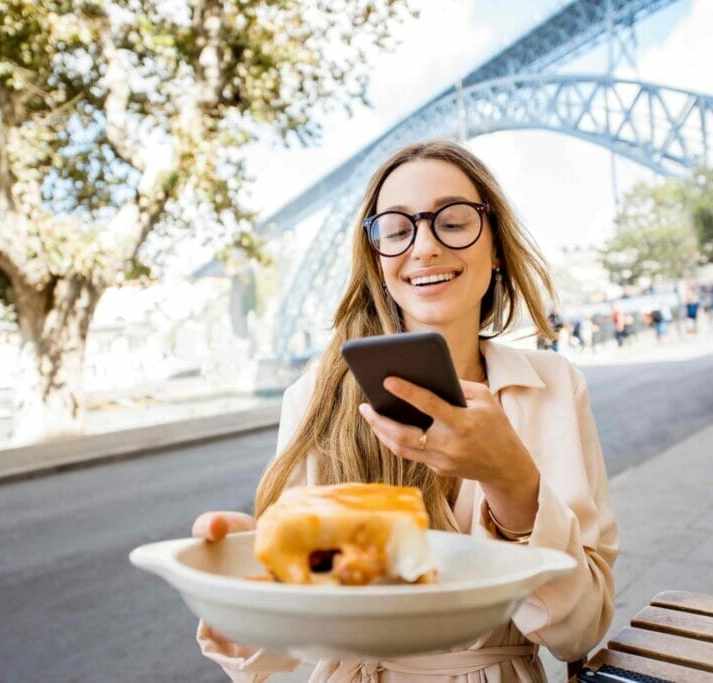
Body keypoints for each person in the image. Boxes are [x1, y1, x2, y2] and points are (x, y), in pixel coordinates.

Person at [193, 140, 618, 682]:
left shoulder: (555, 386)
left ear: (496, 247)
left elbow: (579, 633)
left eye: (455, 221)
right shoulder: (311, 400)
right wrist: (245, 588)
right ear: (376, 258)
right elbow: (295, 633)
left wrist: (512, 483)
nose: (424, 248)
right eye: (396, 230)